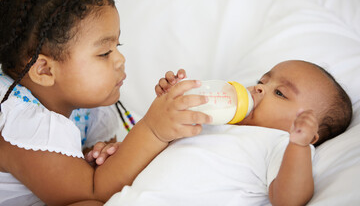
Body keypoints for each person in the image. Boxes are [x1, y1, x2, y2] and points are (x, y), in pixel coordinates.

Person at [0, 0, 212, 205]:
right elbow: (91, 192)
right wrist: (153, 129)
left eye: (117, 45)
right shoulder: (23, 125)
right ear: (44, 71)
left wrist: (104, 154)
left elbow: (93, 168)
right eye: (104, 53)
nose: (120, 59)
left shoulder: (83, 105)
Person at [106, 60, 353, 206]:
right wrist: (171, 102)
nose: (258, 88)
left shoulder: (281, 144)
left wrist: (298, 146)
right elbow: (155, 141)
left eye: (280, 93)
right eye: (263, 80)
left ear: (308, 133)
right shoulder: (216, 119)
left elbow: (288, 199)